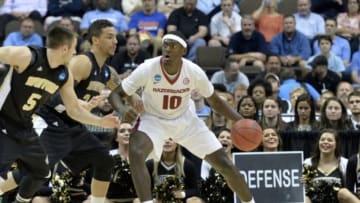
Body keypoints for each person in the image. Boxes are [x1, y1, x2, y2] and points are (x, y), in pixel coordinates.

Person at [109, 31, 255, 203]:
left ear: (183, 51)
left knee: (226, 165)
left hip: (185, 120)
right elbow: (115, 95)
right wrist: (122, 109)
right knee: (136, 150)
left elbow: (215, 102)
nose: (167, 49)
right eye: (165, 45)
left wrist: (241, 121)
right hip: (154, 119)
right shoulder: (148, 68)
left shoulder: (193, 71)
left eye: (173, 45)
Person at [0, 26, 119, 203]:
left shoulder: (63, 75)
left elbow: (74, 110)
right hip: (10, 122)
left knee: (42, 172)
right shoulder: (28, 56)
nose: (76, 52)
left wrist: (101, 120)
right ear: (65, 48)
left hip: (28, 126)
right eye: (74, 48)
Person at [32, 20, 131, 203]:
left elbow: (124, 91)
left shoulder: (107, 72)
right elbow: (52, 92)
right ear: (95, 40)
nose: (115, 41)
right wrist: (80, 105)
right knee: (30, 174)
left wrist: (141, 100)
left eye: (116, 37)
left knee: (105, 160)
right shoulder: (83, 62)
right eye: (109, 37)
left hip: (72, 125)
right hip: (51, 121)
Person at [145, 138, 200, 202]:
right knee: (137, 200)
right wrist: (152, 199)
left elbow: (195, 190)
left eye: (171, 139)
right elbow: (144, 189)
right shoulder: (150, 164)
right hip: (158, 200)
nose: (167, 141)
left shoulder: (187, 165)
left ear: (177, 144)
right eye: (164, 139)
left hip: (180, 201)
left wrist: (183, 193)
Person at [303, 128, 348, 203]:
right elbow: (306, 193)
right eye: (322, 139)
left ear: (336, 144)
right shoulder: (308, 163)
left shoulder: (344, 163)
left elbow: (349, 192)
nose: (325, 142)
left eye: (330, 140)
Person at [107, 122, 138, 203]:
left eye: (130, 131)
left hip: (135, 199)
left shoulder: (142, 158)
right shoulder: (109, 156)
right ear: (116, 138)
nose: (127, 133)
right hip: (110, 199)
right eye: (122, 131)